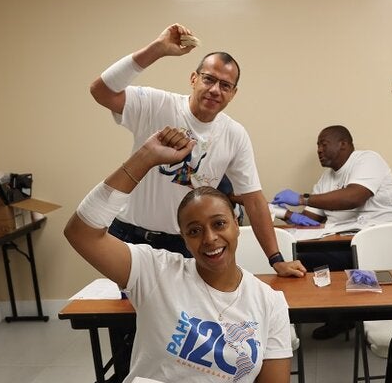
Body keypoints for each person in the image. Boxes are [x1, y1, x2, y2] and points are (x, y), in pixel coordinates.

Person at [64, 129, 292, 383]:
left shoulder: (269, 303)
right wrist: (145, 158)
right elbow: (81, 232)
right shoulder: (155, 272)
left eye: (219, 224)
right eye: (194, 231)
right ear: (183, 238)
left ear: (236, 224)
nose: (209, 238)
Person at [89, 22, 305, 278]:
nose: (215, 90)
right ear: (193, 78)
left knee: (189, 317)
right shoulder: (157, 105)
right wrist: (157, 49)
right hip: (131, 237)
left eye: (225, 85)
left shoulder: (234, 134)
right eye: (209, 79)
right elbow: (100, 91)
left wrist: (276, 259)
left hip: (188, 244)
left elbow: (254, 200)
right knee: (129, 317)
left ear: (233, 94)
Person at [272, 125, 392, 339]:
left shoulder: (367, 160)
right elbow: (309, 219)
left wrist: (301, 198)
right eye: (317, 145)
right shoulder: (326, 179)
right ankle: (338, 316)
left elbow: (354, 197)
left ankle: (343, 316)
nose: (318, 150)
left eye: (323, 144)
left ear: (343, 143)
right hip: (344, 242)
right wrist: (285, 214)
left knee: (313, 261)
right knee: (295, 260)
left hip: (381, 240)